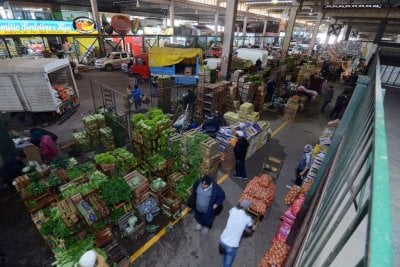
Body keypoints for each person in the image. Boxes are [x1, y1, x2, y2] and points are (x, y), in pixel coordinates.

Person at [219, 199, 255, 267]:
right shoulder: (248, 219)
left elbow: (235, 217)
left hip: (222, 240)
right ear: (247, 208)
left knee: (224, 254)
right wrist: (252, 229)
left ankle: (223, 263)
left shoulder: (233, 210)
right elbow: (250, 229)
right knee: (228, 263)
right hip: (231, 245)